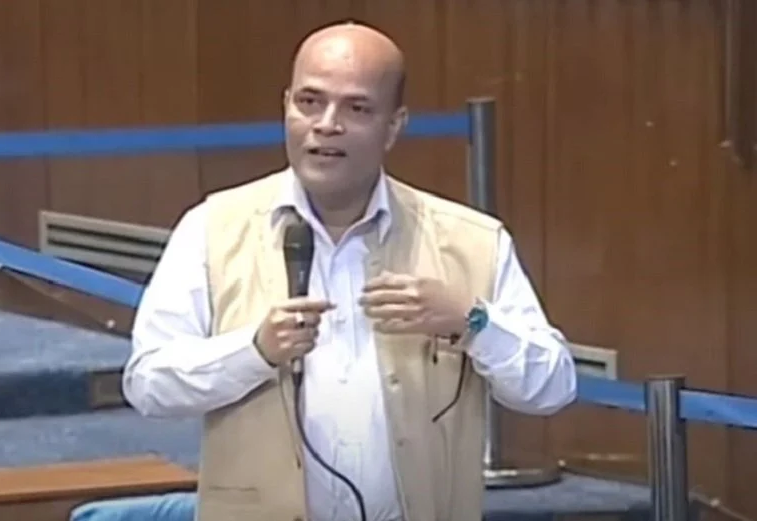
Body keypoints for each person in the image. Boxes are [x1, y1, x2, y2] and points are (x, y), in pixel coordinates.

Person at [123, 21, 577, 521]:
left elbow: (552, 388)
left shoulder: (471, 241)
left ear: (394, 126)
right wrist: (254, 351)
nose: (326, 125)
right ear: (286, 106)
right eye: (309, 102)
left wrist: (472, 321)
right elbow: (148, 384)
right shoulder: (211, 228)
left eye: (356, 108)